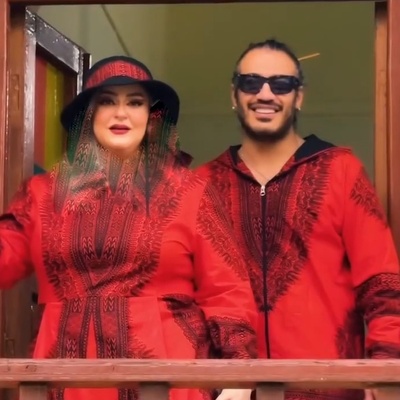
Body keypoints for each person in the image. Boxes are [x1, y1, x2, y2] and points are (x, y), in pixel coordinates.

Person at [0, 56, 257, 400]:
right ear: (87, 114)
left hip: (168, 379)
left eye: (135, 102)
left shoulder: (190, 191)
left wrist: (239, 376)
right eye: (107, 101)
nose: (121, 113)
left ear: (152, 116)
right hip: (63, 380)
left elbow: (226, 290)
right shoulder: (42, 194)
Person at [195, 39, 400, 400]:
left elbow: (382, 283)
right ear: (234, 95)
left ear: (298, 97)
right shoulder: (203, 184)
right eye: (251, 82)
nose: (265, 94)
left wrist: (385, 367)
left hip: (331, 390)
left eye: (281, 84)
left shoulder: (341, 171)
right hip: (231, 391)